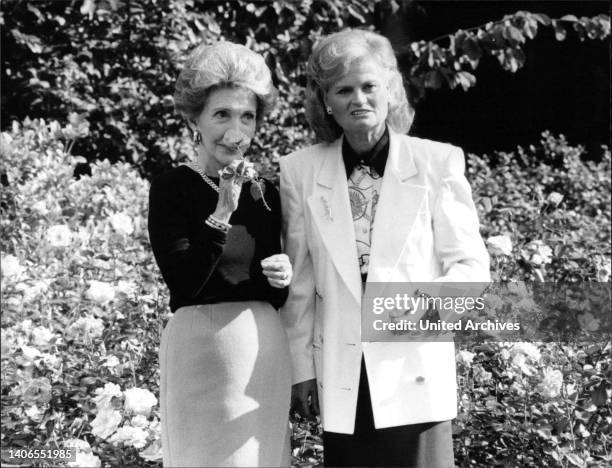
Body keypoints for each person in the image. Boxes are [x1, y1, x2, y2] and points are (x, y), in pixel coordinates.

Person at [280, 29, 490, 467]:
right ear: (326, 101)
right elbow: (300, 282)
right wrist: (301, 369)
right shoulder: (299, 171)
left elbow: (471, 268)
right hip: (341, 370)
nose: (359, 99)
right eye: (344, 89)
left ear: (390, 90)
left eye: (369, 85)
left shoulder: (436, 162)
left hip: (413, 363)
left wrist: (412, 312)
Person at [148, 41, 293, 467]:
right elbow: (185, 281)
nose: (236, 129)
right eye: (222, 114)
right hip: (200, 350)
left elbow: (275, 293)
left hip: (261, 350)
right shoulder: (172, 187)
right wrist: (223, 211)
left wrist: (282, 274)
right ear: (195, 119)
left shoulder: (265, 191)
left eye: (247, 116)